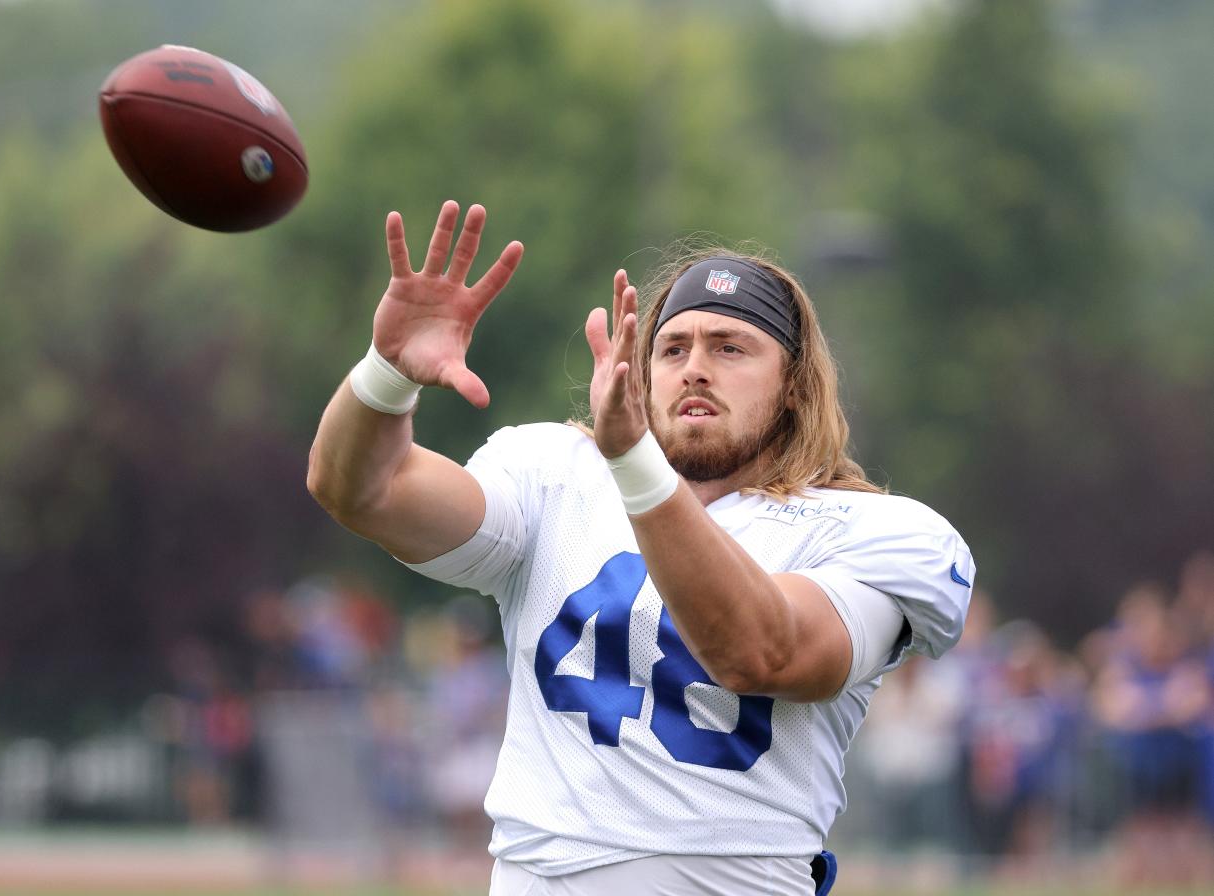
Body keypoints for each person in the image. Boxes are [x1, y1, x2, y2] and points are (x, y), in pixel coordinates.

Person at [307, 201, 975, 895]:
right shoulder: (555, 477)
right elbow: (363, 490)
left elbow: (760, 650)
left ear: (792, 389)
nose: (693, 369)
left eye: (729, 347)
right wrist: (386, 377)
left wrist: (636, 467)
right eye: (672, 347)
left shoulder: (870, 531)